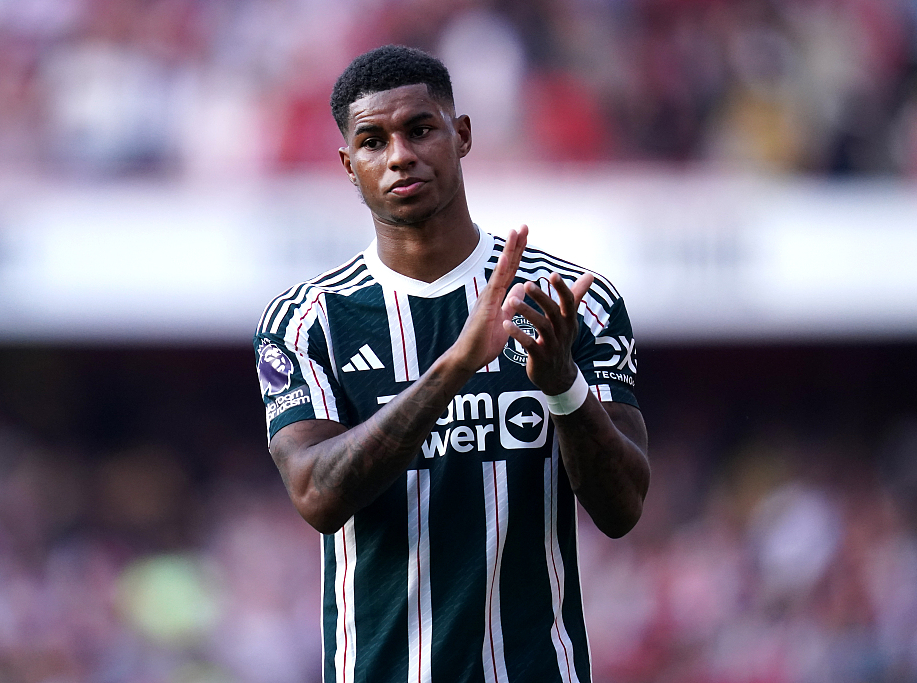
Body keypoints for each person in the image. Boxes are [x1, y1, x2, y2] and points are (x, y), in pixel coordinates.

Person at [255, 45, 650, 683]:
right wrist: (456, 365)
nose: (400, 155)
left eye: (419, 129)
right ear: (347, 165)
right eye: (372, 141)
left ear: (460, 135)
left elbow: (623, 508)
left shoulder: (570, 302)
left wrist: (563, 390)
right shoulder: (309, 322)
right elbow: (318, 494)